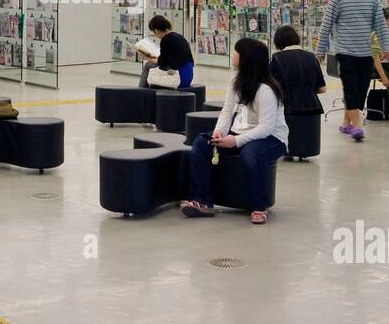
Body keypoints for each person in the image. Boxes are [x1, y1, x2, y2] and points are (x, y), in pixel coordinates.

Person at [182, 38, 288, 225]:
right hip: (241, 133)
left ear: (246, 58)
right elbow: (227, 111)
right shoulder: (236, 80)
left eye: (236, 51)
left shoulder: (266, 90)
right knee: (201, 143)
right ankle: (202, 201)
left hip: (271, 139)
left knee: (251, 153)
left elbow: (266, 127)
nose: (233, 54)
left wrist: (236, 142)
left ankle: (258, 206)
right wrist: (219, 133)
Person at [317, 0, 389, 141]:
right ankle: (357, 127)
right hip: (344, 52)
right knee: (351, 88)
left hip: (365, 53)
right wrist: (320, 49)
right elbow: (326, 26)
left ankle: (346, 123)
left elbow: (381, 25)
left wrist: (386, 47)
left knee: (361, 89)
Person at [270, 25, 326, 115]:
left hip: (288, 110)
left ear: (278, 42)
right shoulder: (312, 57)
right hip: (314, 110)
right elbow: (322, 89)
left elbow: (270, 88)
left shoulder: (277, 58)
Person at [137, 15, 194, 89]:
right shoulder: (179, 36)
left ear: (156, 30)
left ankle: (141, 91)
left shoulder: (165, 39)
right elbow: (170, 59)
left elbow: (162, 63)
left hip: (178, 78)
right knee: (152, 66)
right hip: (188, 76)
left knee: (148, 65)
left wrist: (147, 58)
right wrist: (154, 57)